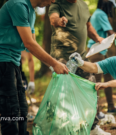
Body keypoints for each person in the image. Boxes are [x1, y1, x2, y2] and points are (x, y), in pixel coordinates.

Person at [0, 0, 69, 134]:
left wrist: (51, 66)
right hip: (3, 61)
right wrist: (54, 63)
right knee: (10, 111)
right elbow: (29, 44)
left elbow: (33, 44)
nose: (53, 2)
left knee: (22, 109)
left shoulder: (30, 10)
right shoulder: (18, 5)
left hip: (14, 62)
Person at [48, 0, 110, 134]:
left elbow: (88, 26)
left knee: (91, 87)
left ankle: (93, 128)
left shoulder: (83, 5)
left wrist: (99, 38)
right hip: (62, 58)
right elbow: (53, 19)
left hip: (80, 57)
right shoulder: (57, 4)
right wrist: (59, 21)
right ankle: (62, 128)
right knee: (64, 94)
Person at [87, 0, 116, 114]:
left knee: (108, 77)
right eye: (111, 5)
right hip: (96, 51)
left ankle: (111, 107)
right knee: (96, 82)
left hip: (101, 50)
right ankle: (96, 112)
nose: (112, 8)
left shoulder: (97, 13)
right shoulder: (100, 14)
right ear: (106, 4)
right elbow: (110, 33)